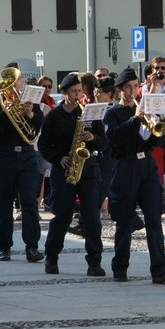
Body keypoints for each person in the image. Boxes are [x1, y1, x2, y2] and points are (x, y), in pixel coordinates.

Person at [103, 68, 165, 284]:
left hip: (147, 166)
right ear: (120, 90)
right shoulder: (113, 113)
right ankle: (120, 267)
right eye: (128, 87)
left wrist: (157, 126)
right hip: (126, 166)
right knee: (124, 221)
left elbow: (157, 142)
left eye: (135, 86)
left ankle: (160, 270)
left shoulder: (145, 110)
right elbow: (113, 138)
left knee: (154, 219)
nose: (133, 91)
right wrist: (135, 119)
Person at [40, 72, 105, 275]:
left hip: (88, 168)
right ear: (65, 92)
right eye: (74, 91)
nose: (79, 94)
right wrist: (59, 158)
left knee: (92, 216)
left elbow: (103, 141)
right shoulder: (53, 116)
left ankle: (94, 261)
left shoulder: (88, 113)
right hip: (65, 169)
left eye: (80, 91)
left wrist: (92, 136)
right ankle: (51, 257)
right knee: (62, 216)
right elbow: (43, 145)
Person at [0, 71, 46, 263]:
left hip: (27, 156)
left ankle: (32, 246)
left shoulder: (29, 100)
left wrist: (30, 114)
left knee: (29, 201)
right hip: (3, 156)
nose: (14, 85)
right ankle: (4, 246)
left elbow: (37, 126)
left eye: (17, 80)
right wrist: (5, 114)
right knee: (4, 203)